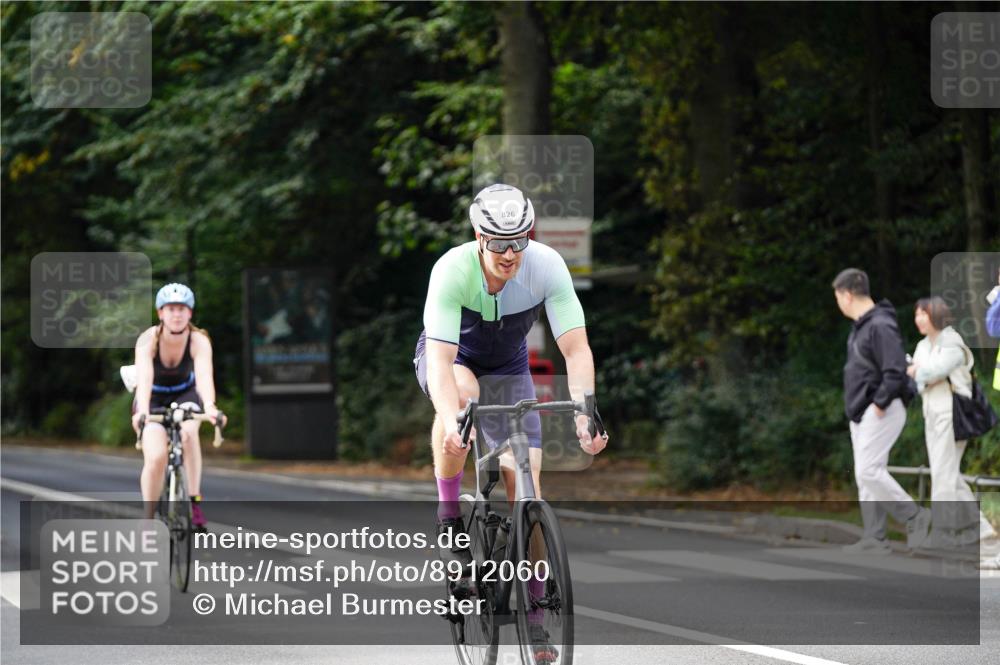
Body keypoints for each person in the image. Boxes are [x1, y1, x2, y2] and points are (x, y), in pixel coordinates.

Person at [415, 183, 607, 660]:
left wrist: (586, 410)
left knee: (529, 489)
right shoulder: (452, 270)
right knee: (463, 400)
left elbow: (575, 347)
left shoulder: (545, 265)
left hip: (511, 368)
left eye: (520, 240)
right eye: (499, 243)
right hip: (455, 362)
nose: (510, 253)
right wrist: (451, 418)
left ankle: (537, 615)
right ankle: (449, 513)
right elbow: (440, 362)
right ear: (479, 237)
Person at [832, 268, 931, 554]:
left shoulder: (880, 325)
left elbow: (895, 369)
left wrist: (880, 402)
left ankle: (914, 516)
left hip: (881, 409)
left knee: (868, 471)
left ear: (847, 295)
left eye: (838, 296)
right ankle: (875, 537)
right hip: (863, 411)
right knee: (866, 475)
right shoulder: (863, 326)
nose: (838, 302)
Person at [131, 283, 225, 530]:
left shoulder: (198, 340)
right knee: (156, 457)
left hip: (185, 395)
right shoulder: (148, 340)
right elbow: (145, 380)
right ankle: (149, 519)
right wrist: (142, 412)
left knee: (189, 433)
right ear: (160, 313)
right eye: (171, 309)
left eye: (182, 309)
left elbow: (204, 378)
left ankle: (194, 503)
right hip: (152, 398)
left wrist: (211, 407)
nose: (176, 314)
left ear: (190, 313)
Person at [907, 297, 996, 547]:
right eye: (916, 315)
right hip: (931, 411)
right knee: (947, 473)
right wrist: (922, 373)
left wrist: (920, 371)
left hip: (951, 413)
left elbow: (934, 371)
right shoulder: (923, 345)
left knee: (943, 473)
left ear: (936, 314)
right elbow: (917, 380)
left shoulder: (952, 341)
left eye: (923, 314)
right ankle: (981, 527)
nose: (919, 320)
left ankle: (944, 533)